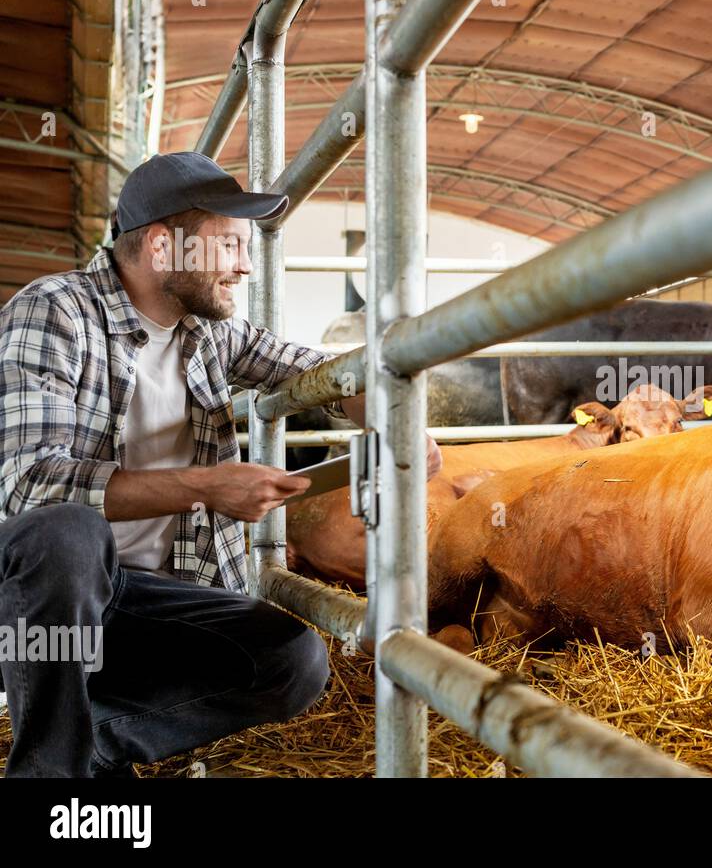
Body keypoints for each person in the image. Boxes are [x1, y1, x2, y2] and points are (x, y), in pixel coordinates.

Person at [0, 151, 435, 777]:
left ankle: (86, 745)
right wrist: (205, 488)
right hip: (49, 602)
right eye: (228, 243)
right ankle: (52, 782)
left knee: (294, 660)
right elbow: (31, 484)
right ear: (160, 247)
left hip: (152, 602)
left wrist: (396, 416)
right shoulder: (55, 311)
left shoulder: (207, 333)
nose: (245, 265)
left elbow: (317, 375)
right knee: (66, 531)